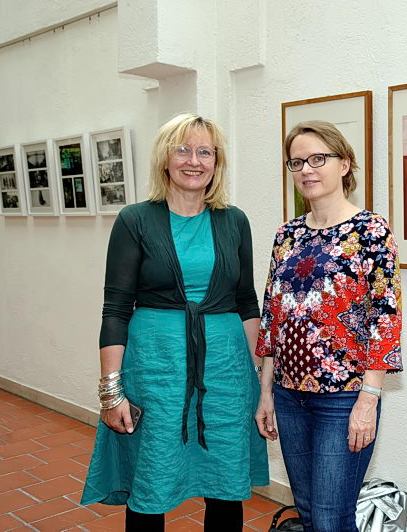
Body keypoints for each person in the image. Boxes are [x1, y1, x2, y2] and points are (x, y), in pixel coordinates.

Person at [81, 113, 269, 531]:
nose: (194, 161)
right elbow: (116, 308)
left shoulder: (234, 220)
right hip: (156, 372)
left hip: (226, 375)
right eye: (182, 150)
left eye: (205, 151)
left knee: (225, 484)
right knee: (152, 481)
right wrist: (111, 392)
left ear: (217, 161)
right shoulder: (135, 220)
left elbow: (246, 302)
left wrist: (263, 383)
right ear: (164, 159)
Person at [255, 120, 403, 532]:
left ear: (345, 164)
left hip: (345, 399)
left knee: (330, 518)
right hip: (288, 396)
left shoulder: (371, 230)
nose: (307, 169)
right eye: (297, 162)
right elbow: (272, 317)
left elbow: (385, 318)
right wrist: (266, 392)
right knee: (308, 513)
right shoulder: (286, 235)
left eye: (318, 158)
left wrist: (368, 400)